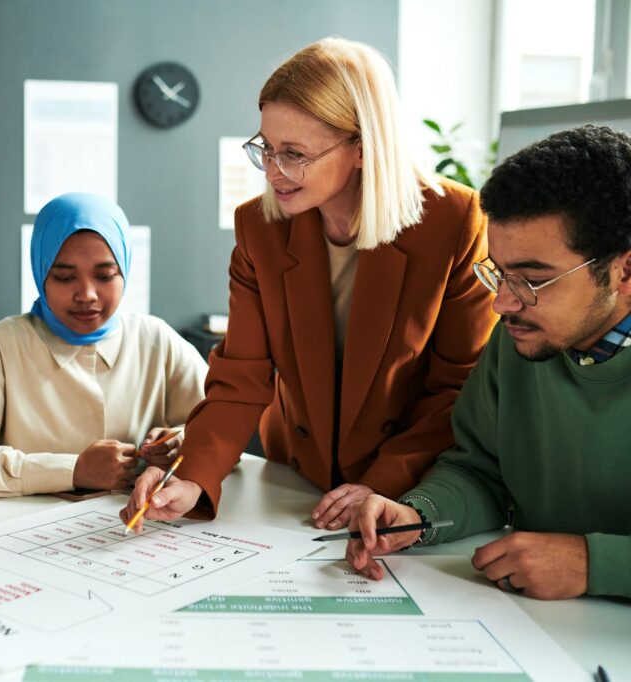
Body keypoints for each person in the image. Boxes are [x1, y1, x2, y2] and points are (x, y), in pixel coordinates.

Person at [121, 37, 496, 532]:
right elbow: (242, 377)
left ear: (362, 149)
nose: (274, 172)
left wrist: (382, 481)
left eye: (294, 154)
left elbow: (459, 387)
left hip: (407, 477)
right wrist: (193, 477)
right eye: (267, 149)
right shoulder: (259, 226)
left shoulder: (453, 220)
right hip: (297, 474)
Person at [346, 125, 631, 601]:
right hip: (536, 629)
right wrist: (419, 516)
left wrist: (595, 564)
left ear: (624, 272)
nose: (502, 304)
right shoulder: (520, 339)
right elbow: (480, 470)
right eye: (499, 272)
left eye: (532, 281)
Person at [0, 192, 207, 497]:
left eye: (105, 275)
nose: (86, 294)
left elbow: (219, 430)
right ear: (40, 272)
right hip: (26, 532)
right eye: (64, 277)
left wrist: (181, 443)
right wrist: (72, 470)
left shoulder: (157, 341)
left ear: (124, 270)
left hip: (141, 528)